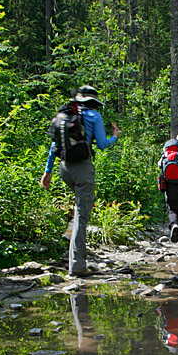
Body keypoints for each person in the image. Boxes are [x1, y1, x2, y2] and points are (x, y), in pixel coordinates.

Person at [40, 85, 120, 276]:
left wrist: (47, 171)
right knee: (82, 215)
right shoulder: (94, 116)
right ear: (93, 102)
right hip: (83, 168)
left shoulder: (65, 115)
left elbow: (54, 146)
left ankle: (71, 236)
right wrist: (115, 137)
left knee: (79, 209)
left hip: (64, 168)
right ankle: (77, 266)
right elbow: (102, 144)